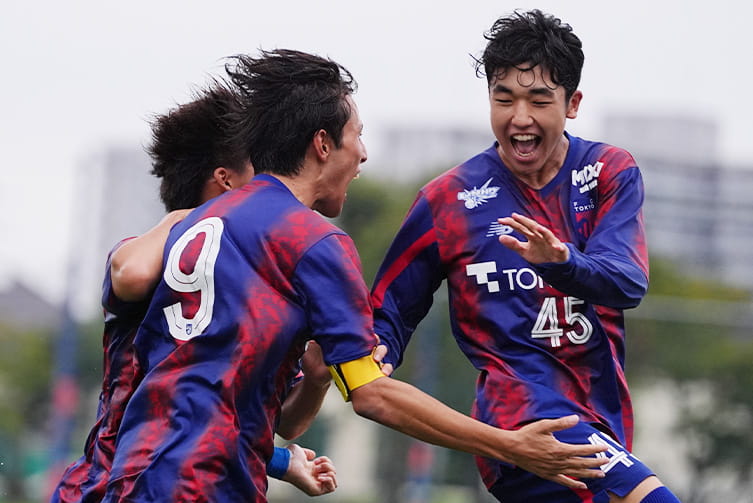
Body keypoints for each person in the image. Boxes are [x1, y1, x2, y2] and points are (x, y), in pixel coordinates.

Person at [102, 48, 609, 503]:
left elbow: (265, 412)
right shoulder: (311, 240)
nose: (363, 154)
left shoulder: (197, 221)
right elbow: (371, 395)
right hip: (205, 486)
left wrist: (316, 378)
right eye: (357, 135)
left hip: (132, 478)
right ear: (323, 144)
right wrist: (511, 445)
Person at [370, 9, 681, 503]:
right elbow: (388, 312)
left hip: (601, 417)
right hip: (519, 420)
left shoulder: (607, 171)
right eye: (504, 99)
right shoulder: (448, 199)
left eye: (538, 100)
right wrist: (372, 352)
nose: (519, 117)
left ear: (572, 103)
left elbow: (626, 282)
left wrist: (560, 262)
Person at [50, 82, 337, 503]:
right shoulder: (155, 251)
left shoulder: (257, 288)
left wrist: (315, 381)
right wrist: (187, 218)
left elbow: (279, 422)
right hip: (108, 485)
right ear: (225, 181)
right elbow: (130, 275)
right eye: (260, 176)